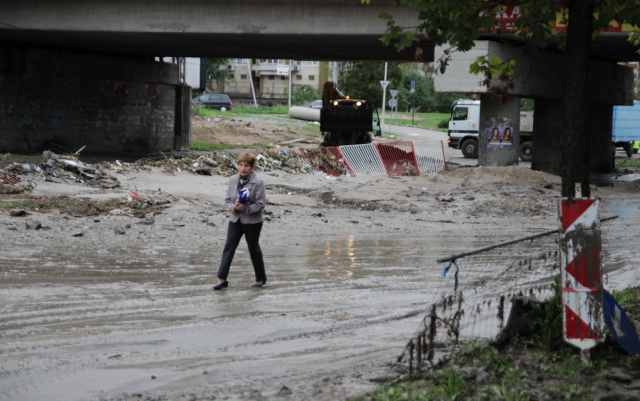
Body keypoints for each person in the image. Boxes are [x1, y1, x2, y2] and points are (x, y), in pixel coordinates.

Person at [214, 152, 267, 290]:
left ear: (251, 167)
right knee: (229, 248)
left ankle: (260, 279)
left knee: (254, 249)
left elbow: (261, 203)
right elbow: (227, 200)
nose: (243, 168)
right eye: (241, 165)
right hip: (235, 219)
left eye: (246, 166)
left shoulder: (258, 182)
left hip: (253, 222)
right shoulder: (232, 180)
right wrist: (234, 208)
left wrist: (246, 208)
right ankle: (222, 279)